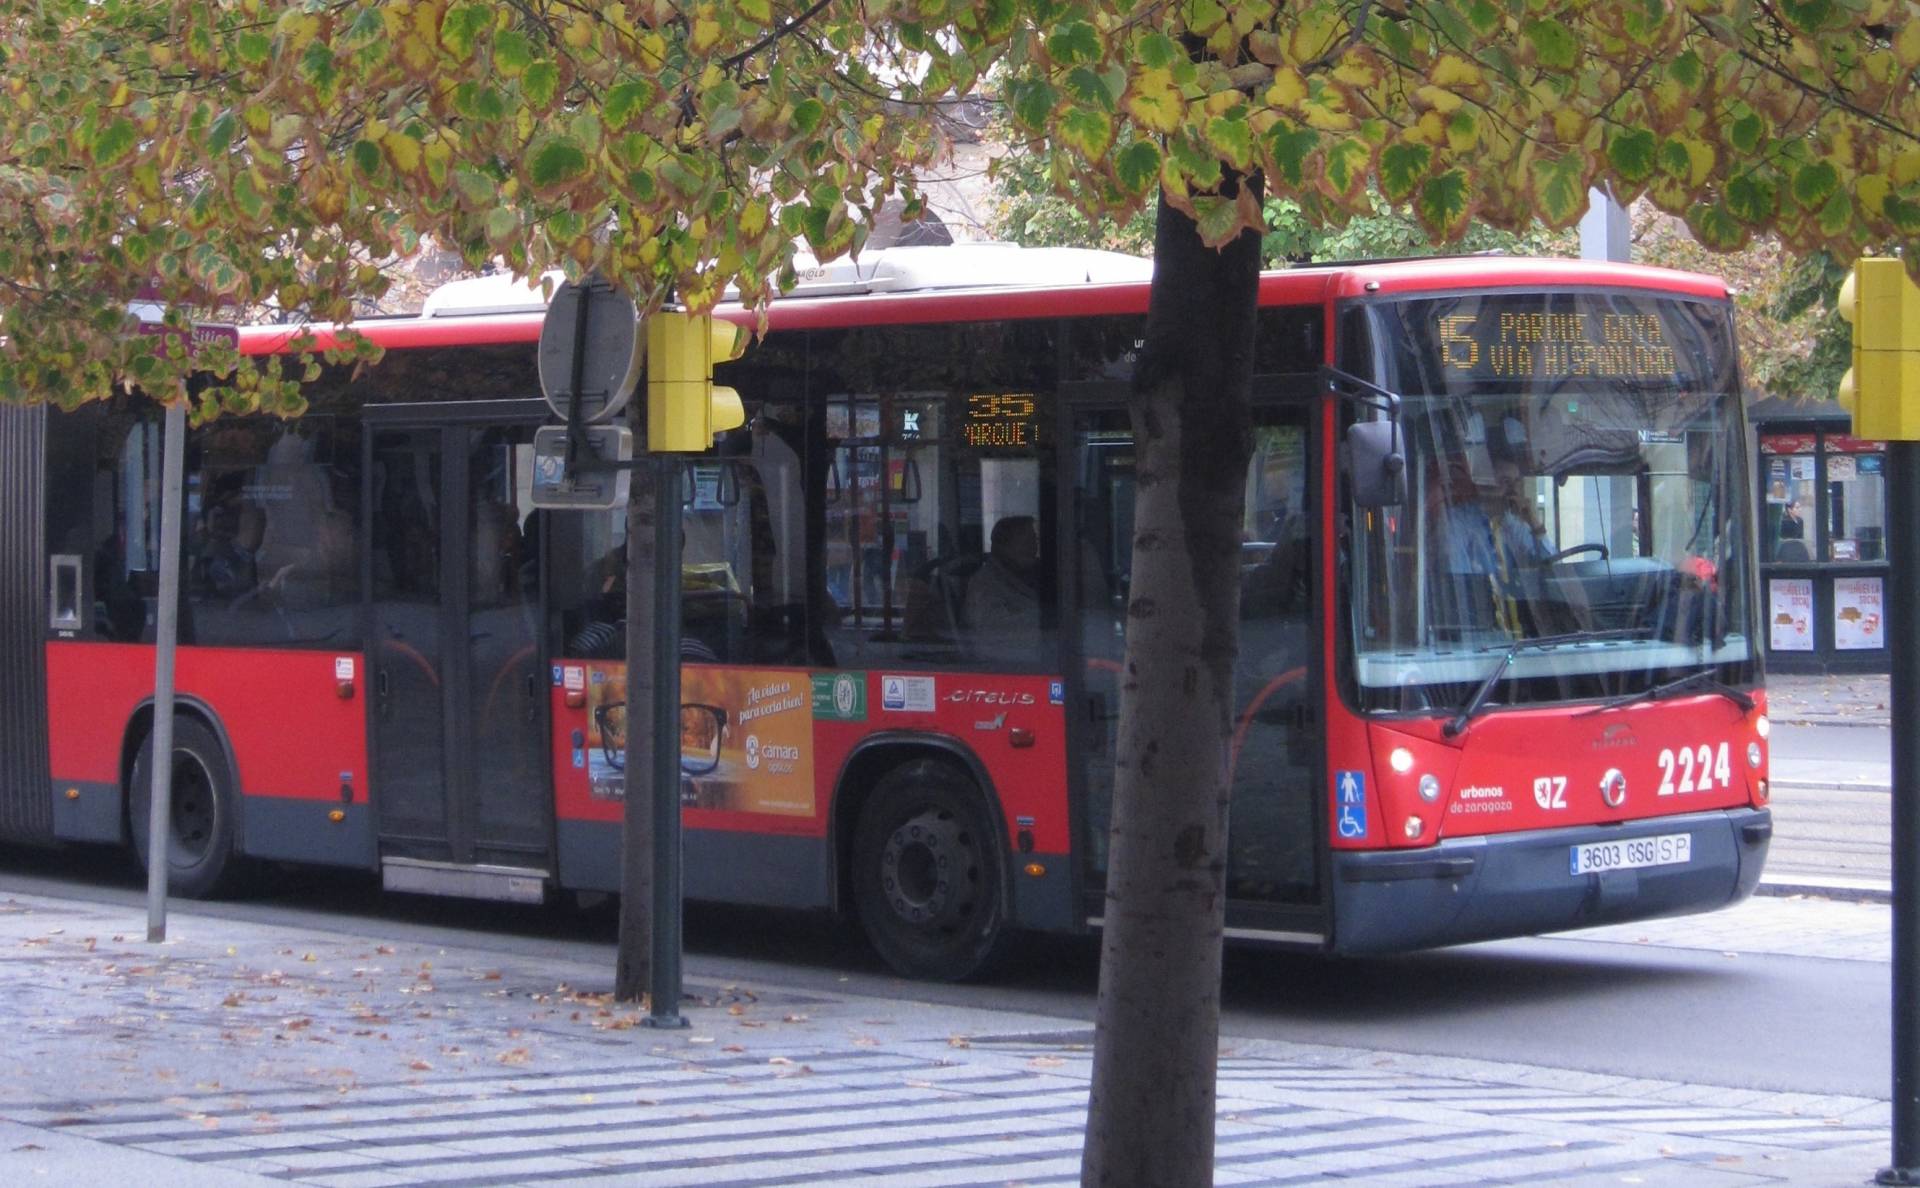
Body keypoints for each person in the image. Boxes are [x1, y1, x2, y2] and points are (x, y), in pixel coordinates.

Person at [962, 514, 1041, 640]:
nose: (1033, 547)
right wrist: (1045, 618)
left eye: (1034, 541)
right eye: (1026, 542)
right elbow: (992, 628)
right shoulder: (983, 583)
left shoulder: (1037, 574)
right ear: (1003, 546)